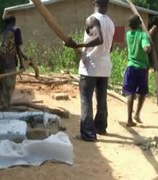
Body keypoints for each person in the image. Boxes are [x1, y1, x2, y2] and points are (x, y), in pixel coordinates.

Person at [66, 0, 115, 141]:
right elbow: (109, 46)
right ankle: (100, 127)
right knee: (101, 98)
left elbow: (99, 39)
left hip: (90, 67)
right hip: (105, 66)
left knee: (86, 99)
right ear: (107, 5)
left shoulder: (92, 19)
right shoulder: (110, 23)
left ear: (94, 3)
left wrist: (78, 44)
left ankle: (88, 133)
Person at [122, 15, 151, 127]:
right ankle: (137, 114)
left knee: (130, 93)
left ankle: (129, 119)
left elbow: (138, 37)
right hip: (141, 68)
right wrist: (148, 46)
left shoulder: (128, 34)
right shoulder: (143, 35)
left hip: (130, 67)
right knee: (142, 93)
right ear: (139, 24)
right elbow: (146, 48)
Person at [0, 16, 29, 110]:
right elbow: (18, 49)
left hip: (1, 58)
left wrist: (26, 58)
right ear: (14, 22)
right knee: (9, 84)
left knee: (3, 80)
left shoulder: (5, 31)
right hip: (9, 59)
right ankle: (5, 105)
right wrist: (22, 63)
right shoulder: (16, 30)